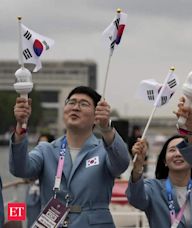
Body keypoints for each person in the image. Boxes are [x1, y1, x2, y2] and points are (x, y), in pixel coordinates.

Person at [10, 86, 131, 227]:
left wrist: (106, 128)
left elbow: (122, 163)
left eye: (84, 104)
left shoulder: (105, 151)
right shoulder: (45, 150)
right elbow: (19, 169)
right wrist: (21, 126)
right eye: (71, 102)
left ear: (96, 116)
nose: (75, 107)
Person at [126, 135, 192, 227]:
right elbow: (136, 200)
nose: (178, 154)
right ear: (164, 161)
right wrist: (138, 165)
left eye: (183, 150)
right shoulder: (153, 188)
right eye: (172, 150)